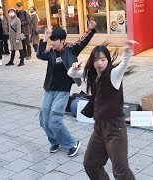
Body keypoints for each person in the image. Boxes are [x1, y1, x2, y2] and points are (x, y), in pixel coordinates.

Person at [67, 42, 137, 179]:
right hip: (99, 128)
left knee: (121, 171)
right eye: (96, 60)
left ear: (108, 60)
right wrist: (74, 67)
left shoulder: (113, 75)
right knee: (90, 163)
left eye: (103, 60)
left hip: (115, 129)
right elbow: (71, 73)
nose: (100, 63)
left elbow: (123, 66)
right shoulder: (92, 74)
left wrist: (127, 52)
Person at [36, 21, 97, 157]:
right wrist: (44, 39)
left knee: (55, 120)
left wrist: (91, 30)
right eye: (51, 40)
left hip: (63, 91)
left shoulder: (71, 49)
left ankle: (71, 143)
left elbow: (83, 41)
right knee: (44, 119)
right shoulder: (51, 52)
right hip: (49, 89)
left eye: (55, 40)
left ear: (63, 40)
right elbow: (39, 54)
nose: (52, 43)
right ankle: (55, 142)